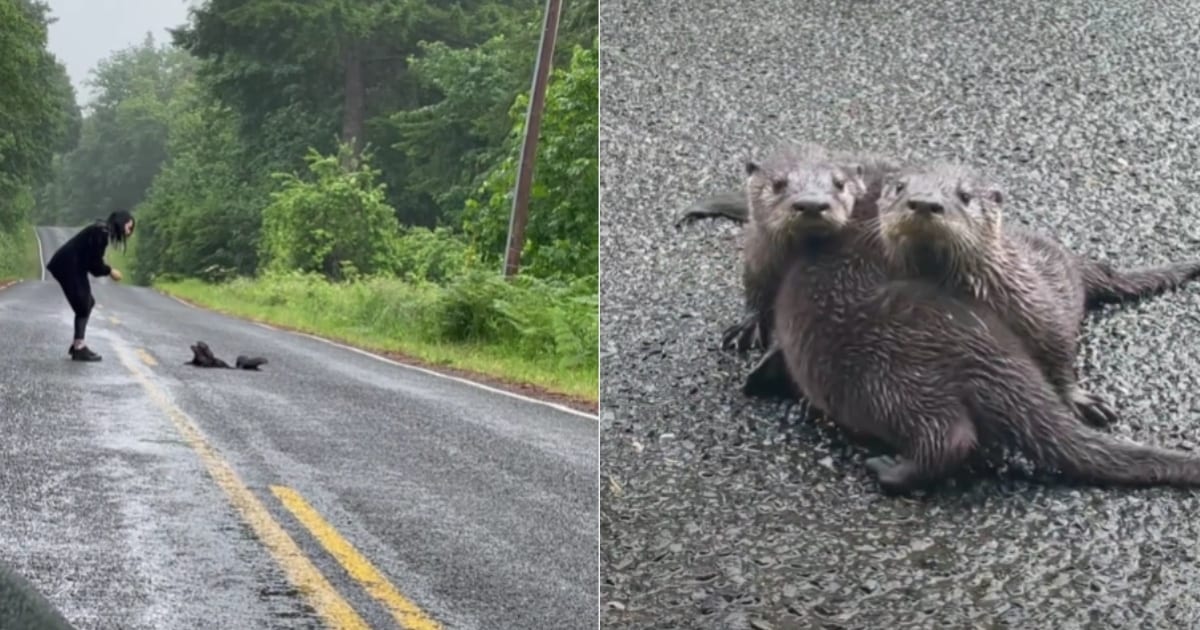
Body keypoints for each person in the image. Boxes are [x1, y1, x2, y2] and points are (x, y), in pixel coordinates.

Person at [45, 211, 135, 362]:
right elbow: (95, 265)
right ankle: (79, 348)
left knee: (87, 303)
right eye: (129, 227)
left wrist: (105, 270)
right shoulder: (101, 232)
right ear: (122, 222)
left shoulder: (101, 231)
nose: (129, 232)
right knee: (83, 305)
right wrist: (110, 271)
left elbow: (93, 265)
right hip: (68, 265)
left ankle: (78, 345)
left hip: (72, 266)